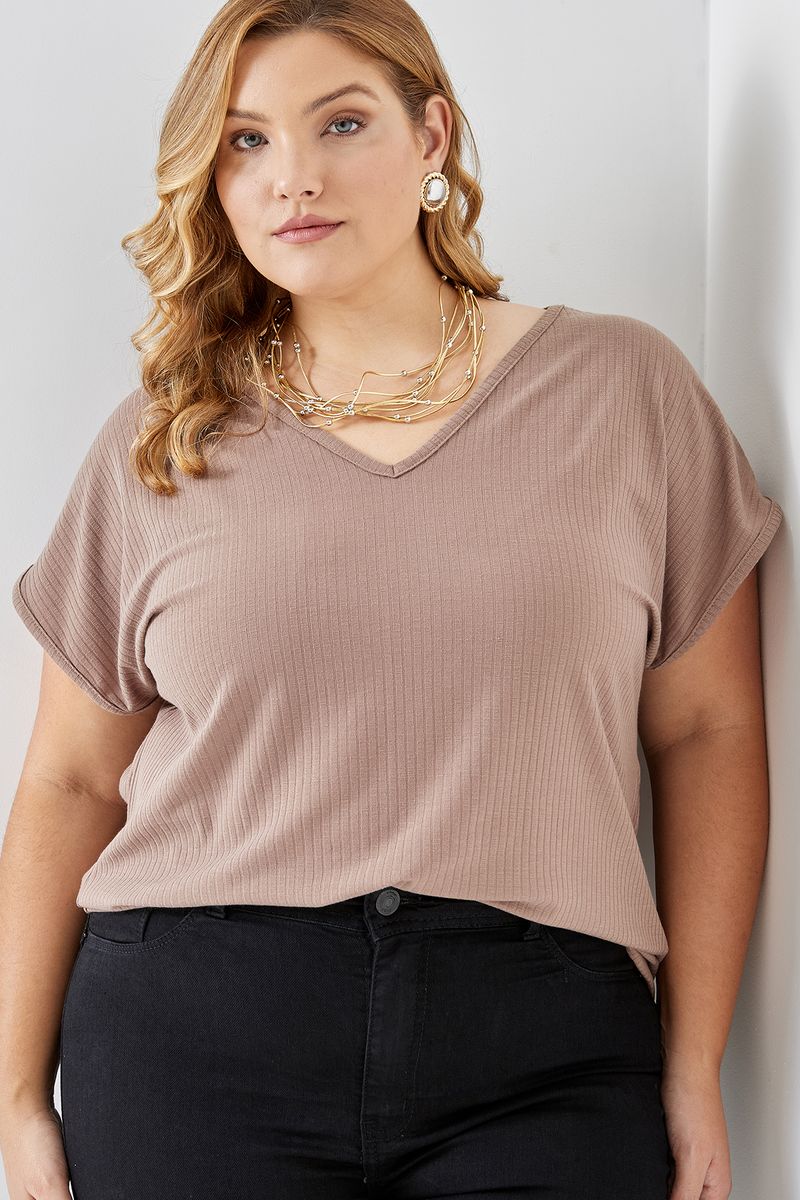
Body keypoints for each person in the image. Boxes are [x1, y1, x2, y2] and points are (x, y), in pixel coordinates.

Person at [0, 1, 783, 1197]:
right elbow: (69, 780)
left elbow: (706, 731)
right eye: (245, 140)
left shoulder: (624, 392)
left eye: (341, 123)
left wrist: (692, 1061)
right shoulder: (162, 440)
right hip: (194, 1038)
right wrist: (14, 1093)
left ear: (431, 137)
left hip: (544, 1045)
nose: (292, 177)